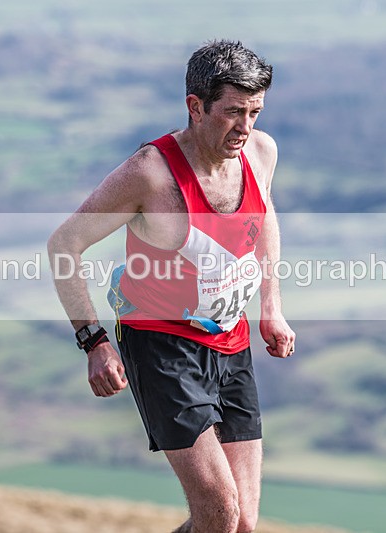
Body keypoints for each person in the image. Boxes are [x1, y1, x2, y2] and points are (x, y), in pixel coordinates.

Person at [47, 40, 295, 533]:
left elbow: (264, 217)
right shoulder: (150, 175)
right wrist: (93, 341)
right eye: (233, 113)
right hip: (162, 346)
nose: (246, 128)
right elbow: (64, 244)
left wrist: (272, 306)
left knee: (241, 524)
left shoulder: (261, 152)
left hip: (231, 342)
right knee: (220, 512)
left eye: (255, 112)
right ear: (195, 106)